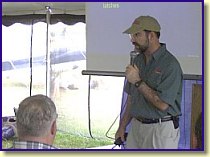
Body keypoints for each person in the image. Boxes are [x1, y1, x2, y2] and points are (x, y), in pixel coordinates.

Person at [115, 15, 183, 149]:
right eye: (131, 36)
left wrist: (138, 81)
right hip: (136, 127)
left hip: (160, 130)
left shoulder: (170, 65)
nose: (132, 40)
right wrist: (122, 127)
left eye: (137, 35)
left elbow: (163, 104)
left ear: (151, 36)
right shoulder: (137, 60)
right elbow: (131, 99)